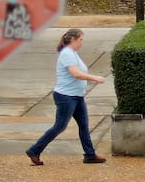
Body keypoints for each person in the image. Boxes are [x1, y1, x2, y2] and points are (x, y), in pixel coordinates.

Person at [26, 28, 107, 165]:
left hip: (77, 96)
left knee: (83, 125)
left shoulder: (73, 53)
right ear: (73, 40)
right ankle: (35, 150)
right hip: (66, 97)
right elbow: (75, 73)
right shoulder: (67, 54)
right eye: (81, 39)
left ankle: (90, 154)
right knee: (60, 126)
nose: (82, 42)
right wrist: (95, 78)